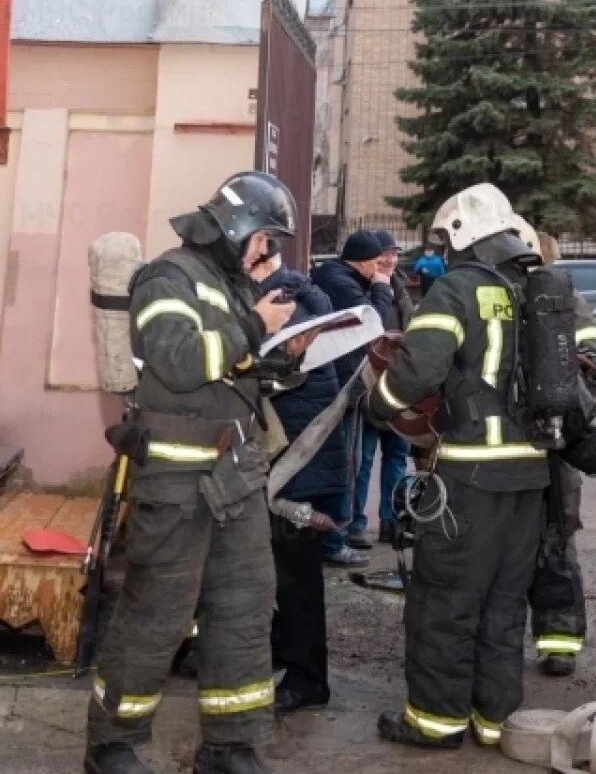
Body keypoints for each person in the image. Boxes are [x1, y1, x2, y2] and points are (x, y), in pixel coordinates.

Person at [85, 172, 300, 774]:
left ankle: (230, 747)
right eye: (265, 238)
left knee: (243, 610)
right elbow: (179, 363)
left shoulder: (229, 286)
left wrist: (286, 358)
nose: (269, 254)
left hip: (237, 477)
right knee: (156, 615)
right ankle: (111, 745)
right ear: (233, 227)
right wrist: (256, 326)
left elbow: (235, 372)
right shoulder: (168, 277)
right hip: (177, 485)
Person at [364, 184, 554, 749]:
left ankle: (435, 722)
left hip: (469, 479)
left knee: (445, 602)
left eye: (445, 239)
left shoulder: (456, 290)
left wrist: (379, 404)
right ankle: (495, 721)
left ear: (463, 235)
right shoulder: (533, 290)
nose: (442, 251)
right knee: (503, 603)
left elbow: (418, 370)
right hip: (530, 478)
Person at [254, 252, 345, 716]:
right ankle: (280, 651)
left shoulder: (286, 301)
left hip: (295, 462)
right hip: (287, 456)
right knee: (273, 572)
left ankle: (307, 679)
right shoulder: (288, 293)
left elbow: (281, 368)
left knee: (296, 579)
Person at [521, 226, 596, 678]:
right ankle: (556, 643)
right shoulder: (559, 298)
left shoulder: (560, 300)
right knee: (553, 542)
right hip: (548, 445)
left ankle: (558, 642)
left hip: (545, 445)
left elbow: (591, 362)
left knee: (549, 541)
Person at [311, 230, 395, 563]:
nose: (380, 267)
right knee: (344, 465)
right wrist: (381, 289)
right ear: (361, 262)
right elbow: (372, 324)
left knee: (339, 462)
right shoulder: (343, 284)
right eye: (375, 262)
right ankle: (335, 541)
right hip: (342, 385)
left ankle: (331, 538)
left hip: (333, 382)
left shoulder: (331, 277)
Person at [355, 231, 415, 544]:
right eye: (383, 254)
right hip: (367, 387)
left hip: (399, 386)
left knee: (396, 457)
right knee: (362, 460)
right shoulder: (362, 289)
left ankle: (391, 523)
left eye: (393, 253)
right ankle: (355, 526)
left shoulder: (400, 288)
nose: (390, 259)